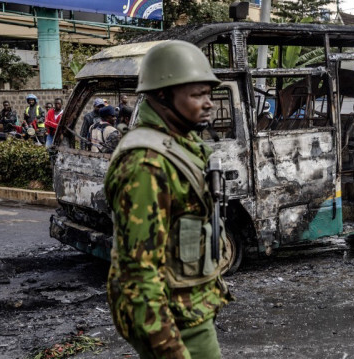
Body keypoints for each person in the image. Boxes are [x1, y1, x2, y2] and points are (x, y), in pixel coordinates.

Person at [104, 40, 232, 359]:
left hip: (190, 307)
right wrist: (168, 348)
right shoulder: (146, 165)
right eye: (197, 95)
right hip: (176, 319)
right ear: (162, 95)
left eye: (208, 94)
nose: (209, 104)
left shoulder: (178, 140)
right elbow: (139, 275)